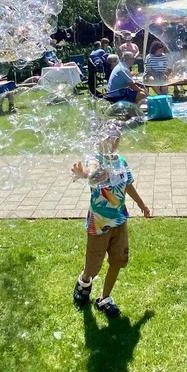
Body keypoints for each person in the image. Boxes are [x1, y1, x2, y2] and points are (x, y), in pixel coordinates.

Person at [70, 136, 151, 319]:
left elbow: (128, 184)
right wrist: (83, 174)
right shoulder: (94, 160)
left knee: (118, 259)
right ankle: (84, 281)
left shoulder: (121, 161)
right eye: (107, 136)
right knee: (93, 266)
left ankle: (105, 298)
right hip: (99, 222)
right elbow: (93, 174)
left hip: (120, 219)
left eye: (115, 137)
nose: (112, 141)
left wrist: (141, 204)